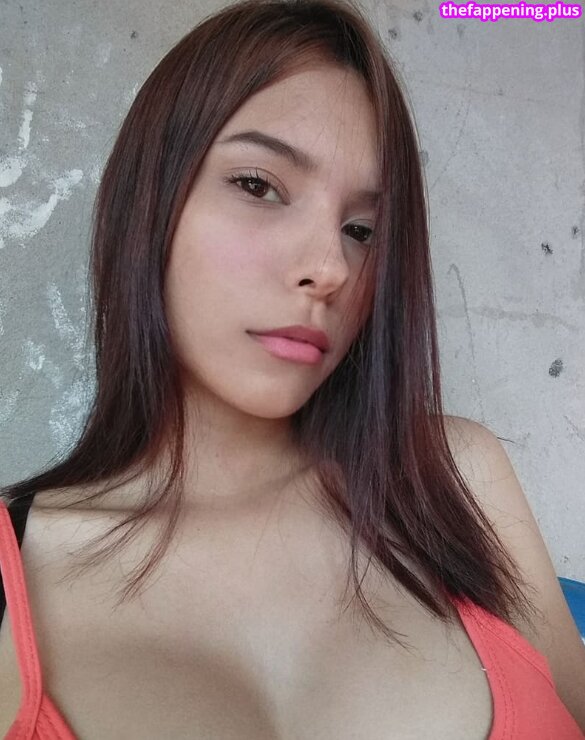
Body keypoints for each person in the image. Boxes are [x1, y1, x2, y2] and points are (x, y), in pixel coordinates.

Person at [1, 0, 584, 737]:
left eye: (361, 229)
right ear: (147, 201)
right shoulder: (16, 563)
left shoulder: (455, 478)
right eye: (258, 185)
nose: (329, 267)